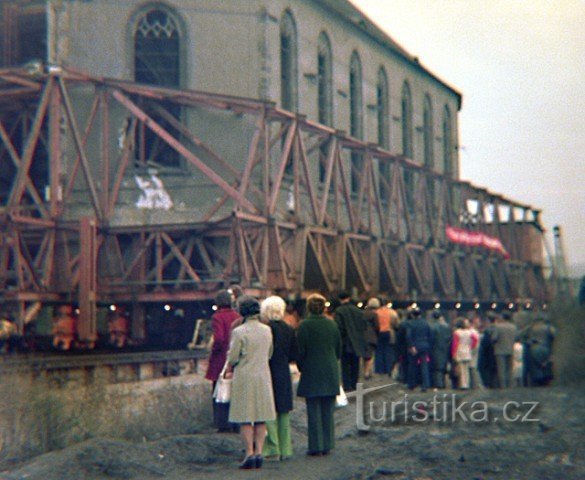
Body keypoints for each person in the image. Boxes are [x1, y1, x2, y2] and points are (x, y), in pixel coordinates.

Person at [226, 296, 276, 469]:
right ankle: (260, 452)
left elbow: (233, 357)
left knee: (245, 417)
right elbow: (269, 353)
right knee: (261, 417)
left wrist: (229, 368)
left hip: (245, 377)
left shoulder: (239, 332)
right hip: (263, 375)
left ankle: (249, 453)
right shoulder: (267, 330)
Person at [296, 293, 342, 456]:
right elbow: (338, 350)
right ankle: (328, 444)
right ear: (324, 307)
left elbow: (300, 351)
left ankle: (316, 446)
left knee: (313, 410)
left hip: (311, 370)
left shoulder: (304, 326)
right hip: (330, 370)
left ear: (308, 307)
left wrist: (302, 367)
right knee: (327, 410)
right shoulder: (332, 325)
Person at [261, 296, 297, 461]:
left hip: (268, 370)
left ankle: (271, 448)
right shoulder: (289, 329)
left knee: (269, 410)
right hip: (283, 370)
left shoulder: (265, 329)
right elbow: (293, 354)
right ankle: (285, 448)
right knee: (283, 411)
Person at [205, 289, 241, 433]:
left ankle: (222, 423)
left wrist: (213, 350)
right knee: (234, 390)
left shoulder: (217, 317)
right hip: (235, 357)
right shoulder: (237, 316)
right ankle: (235, 423)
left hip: (220, 359)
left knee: (219, 391)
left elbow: (219, 338)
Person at [334, 291, 366, 391]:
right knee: (355, 364)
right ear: (349, 298)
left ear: (340, 299)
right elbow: (363, 326)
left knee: (345, 365)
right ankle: (354, 384)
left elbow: (339, 328)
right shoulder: (358, 311)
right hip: (357, 342)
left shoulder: (339, 311)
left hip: (345, 343)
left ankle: (347, 386)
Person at [406, 306, 433, 391]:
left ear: (413, 315)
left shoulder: (410, 323)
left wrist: (411, 346)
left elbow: (408, 336)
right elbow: (431, 335)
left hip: (415, 346)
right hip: (424, 346)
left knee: (412, 366)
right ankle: (425, 385)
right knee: (424, 366)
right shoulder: (426, 323)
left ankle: (412, 384)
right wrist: (428, 344)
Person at [491, 312, 518, 388]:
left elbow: (494, 338)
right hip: (510, 349)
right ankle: (510, 385)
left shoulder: (498, 327)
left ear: (503, 318)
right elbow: (517, 337)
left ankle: (503, 386)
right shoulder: (514, 327)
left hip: (500, 350)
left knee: (501, 369)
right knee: (510, 369)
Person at [451, 318, 479, 389]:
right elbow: (475, 339)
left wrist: (453, 353)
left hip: (460, 351)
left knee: (461, 369)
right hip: (467, 351)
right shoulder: (469, 332)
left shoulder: (457, 333)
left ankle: (463, 384)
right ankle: (467, 383)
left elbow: (455, 344)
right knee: (466, 369)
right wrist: (471, 346)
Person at [374, 300, 399, 376]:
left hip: (379, 333)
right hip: (389, 332)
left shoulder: (376, 312)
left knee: (379, 351)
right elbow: (396, 323)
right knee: (388, 351)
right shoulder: (392, 312)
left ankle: (379, 370)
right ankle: (388, 369)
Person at [429, 310, 452, 388]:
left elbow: (431, 339)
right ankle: (443, 383)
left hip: (435, 349)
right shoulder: (446, 327)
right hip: (445, 349)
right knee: (443, 367)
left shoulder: (432, 327)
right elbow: (449, 338)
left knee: (436, 368)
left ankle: (438, 384)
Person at [363, 298, 380, 379]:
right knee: (370, 355)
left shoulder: (362, 313)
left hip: (362, 336)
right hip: (371, 336)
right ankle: (367, 372)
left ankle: (365, 370)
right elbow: (377, 326)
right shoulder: (374, 314)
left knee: (365, 355)